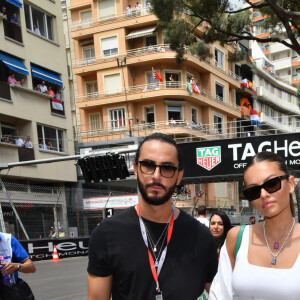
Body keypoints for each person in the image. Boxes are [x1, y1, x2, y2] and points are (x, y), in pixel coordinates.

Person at [88, 133, 218, 300]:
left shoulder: (202, 237)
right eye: (148, 165)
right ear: (136, 170)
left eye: (167, 168)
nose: (156, 175)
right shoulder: (106, 234)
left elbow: (218, 293)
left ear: (179, 176)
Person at [209, 151, 300, 300]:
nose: (263, 194)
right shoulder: (237, 238)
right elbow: (219, 295)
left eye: (272, 184)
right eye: (253, 191)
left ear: (290, 184)